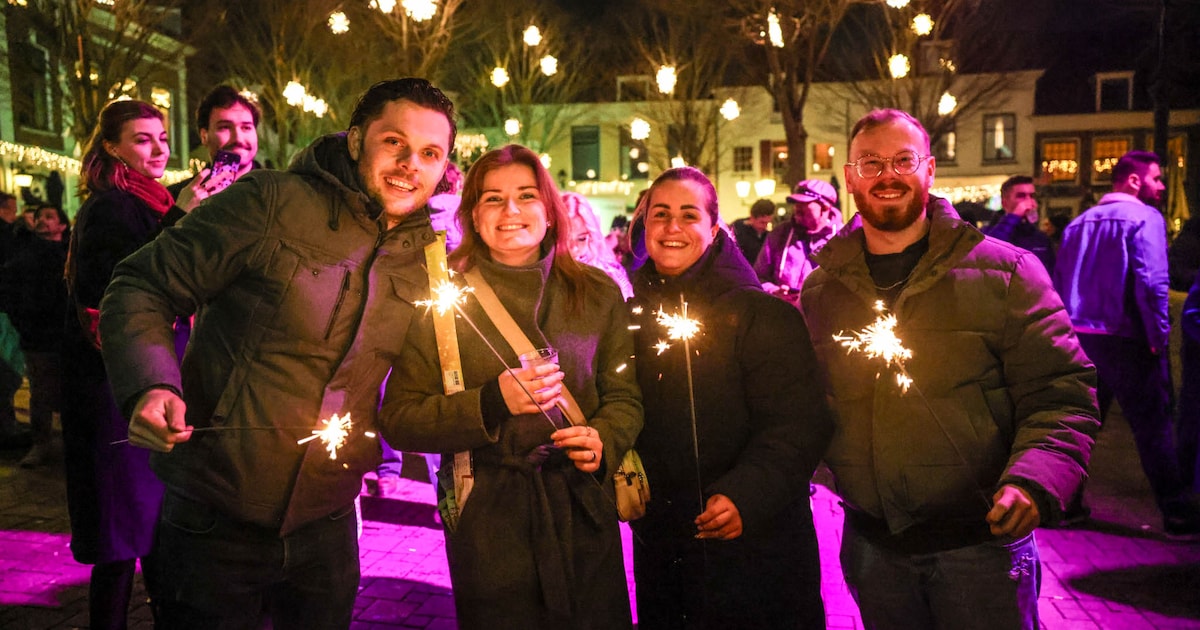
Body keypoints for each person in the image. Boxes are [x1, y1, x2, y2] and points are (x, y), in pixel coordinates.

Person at [98, 78, 456, 628]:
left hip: (328, 526)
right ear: (356, 139)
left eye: (430, 153)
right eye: (394, 142)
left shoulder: (424, 254)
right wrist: (151, 384)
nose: (411, 164)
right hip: (216, 519)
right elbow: (142, 284)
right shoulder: (270, 201)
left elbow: (428, 378)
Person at [801, 109, 1099, 629]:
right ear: (849, 177)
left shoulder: (1006, 273)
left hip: (979, 549)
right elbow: (811, 402)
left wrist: (1033, 481)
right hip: (874, 549)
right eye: (871, 163)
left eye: (903, 160)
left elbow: (1062, 395)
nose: (888, 176)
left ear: (930, 169)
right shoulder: (823, 290)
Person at [379, 144, 641, 628]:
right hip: (492, 526)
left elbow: (625, 396)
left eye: (526, 196)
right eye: (493, 199)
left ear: (550, 209)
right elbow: (399, 419)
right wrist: (492, 402)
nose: (511, 211)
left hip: (584, 514)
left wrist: (603, 437)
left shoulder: (597, 292)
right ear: (473, 216)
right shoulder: (443, 302)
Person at [628, 166, 833, 629]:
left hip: (755, 546)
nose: (673, 227)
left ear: (714, 228)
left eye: (689, 214)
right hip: (665, 546)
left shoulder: (762, 315)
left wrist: (746, 494)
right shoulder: (633, 316)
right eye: (660, 214)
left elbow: (801, 424)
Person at [61, 99, 173, 629]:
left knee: (148, 531)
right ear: (112, 147)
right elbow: (118, 295)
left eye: (162, 137)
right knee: (122, 537)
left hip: (140, 383)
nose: (158, 149)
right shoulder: (112, 207)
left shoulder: (149, 202)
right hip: (117, 393)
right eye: (142, 139)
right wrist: (181, 218)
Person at [1054, 149, 1200, 537]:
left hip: (1082, 338)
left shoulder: (1078, 224)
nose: (1161, 186)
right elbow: (1151, 281)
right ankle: (1177, 514)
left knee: (1082, 426)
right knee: (1153, 428)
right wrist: (1158, 335)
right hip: (1128, 336)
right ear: (1134, 181)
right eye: (1156, 178)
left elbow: (1060, 283)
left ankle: (1065, 504)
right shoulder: (1145, 218)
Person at [1, 205, 69, 468]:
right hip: (38, 334)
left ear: (62, 225)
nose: (42, 220)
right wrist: (24, 322)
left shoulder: (70, 253)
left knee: (68, 388)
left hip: (66, 333)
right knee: (40, 391)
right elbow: (10, 290)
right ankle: (41, 443)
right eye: (39, 217)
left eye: (49, 217)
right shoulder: (26, 254)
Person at [166, 84, 261, 217]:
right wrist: (180, 214)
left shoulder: (280, 192)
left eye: (246, 128)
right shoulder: (176, 198)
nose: (238, 138)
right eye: (225, 127)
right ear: (204, 136)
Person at [753, 178, 843, 298]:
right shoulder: (780, 234)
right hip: (784, 308)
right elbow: (758, 277)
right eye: (796, 203)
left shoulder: (843, 239)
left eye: (804, 203)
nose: (797, 208)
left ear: (825, 207)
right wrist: (774, 291)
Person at [562, 191, 634, 298]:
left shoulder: (612, 276)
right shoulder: (542, 274)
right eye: (564, 239)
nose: (573, 247)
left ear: (592, 237)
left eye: (581, 239)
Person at [982, 175, 1055, 273]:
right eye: (1021, 196)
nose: (1028, 201)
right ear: (1005, 203)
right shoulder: (988, 233)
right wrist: (1014, 216)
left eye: (1031, 196)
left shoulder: (1041, 239)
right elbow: (988, 253)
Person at [731, 198, 774, 265]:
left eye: (767, 223)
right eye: (762, 222)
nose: (764, 226)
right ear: (752, 217)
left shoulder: (767, 235)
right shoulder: (738, 229)